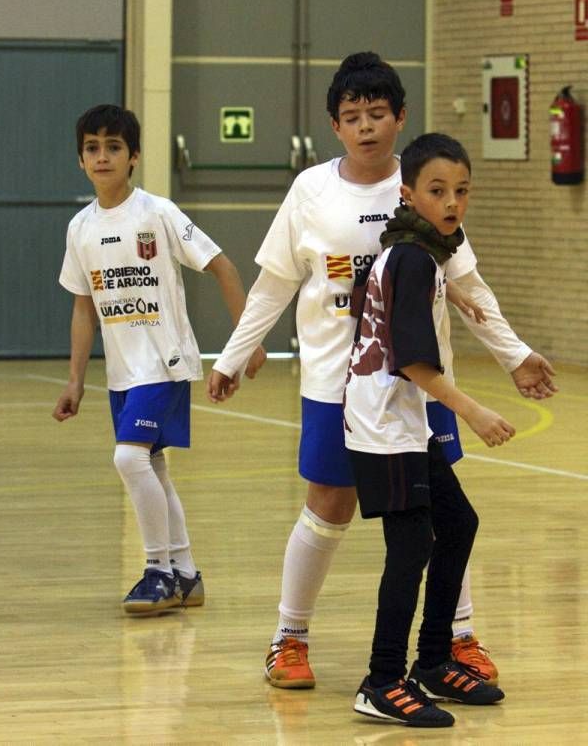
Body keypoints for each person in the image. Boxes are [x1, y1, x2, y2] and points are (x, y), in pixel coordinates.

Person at [206, 53, 556, 688]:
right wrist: (232, 355)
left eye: (377, 113)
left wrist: (514, 355)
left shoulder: (429, 186)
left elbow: (469, 287)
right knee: (329, 505)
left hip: (424, 384)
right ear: (334, 126)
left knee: (443, 509)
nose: (365, 126)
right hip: (338, 388)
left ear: (401, 117)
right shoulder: (311, 191)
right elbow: (273, 286)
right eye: (351, 116)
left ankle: (458, 636)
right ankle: (290, 637)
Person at [52, 104, 265, 616]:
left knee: (129, 458)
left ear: (134, 157)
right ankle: (187, 573)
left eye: (114, 147)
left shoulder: (159, 213)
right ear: (81, 160)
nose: (102, 156)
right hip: (124, 371)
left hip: (166, 363)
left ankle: (158, 572)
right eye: (92, 148)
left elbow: (225, 267)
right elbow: (84, 307)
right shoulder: (80, 228)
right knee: (151, 465)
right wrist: (76, 380)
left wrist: (248, 339)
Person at [347, 132, 511, 727]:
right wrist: (475, 411)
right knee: (411, 546)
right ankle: (382, 679)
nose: (451, 203)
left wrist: (455, 298)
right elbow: (413, 362)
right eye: (438, 191)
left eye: (461, 191)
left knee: (458, 524)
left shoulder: (418, 251)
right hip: (382, 424)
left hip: (403, 421)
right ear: (408, 193)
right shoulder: (413, 258)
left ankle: (435, 661)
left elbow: (416, 292)